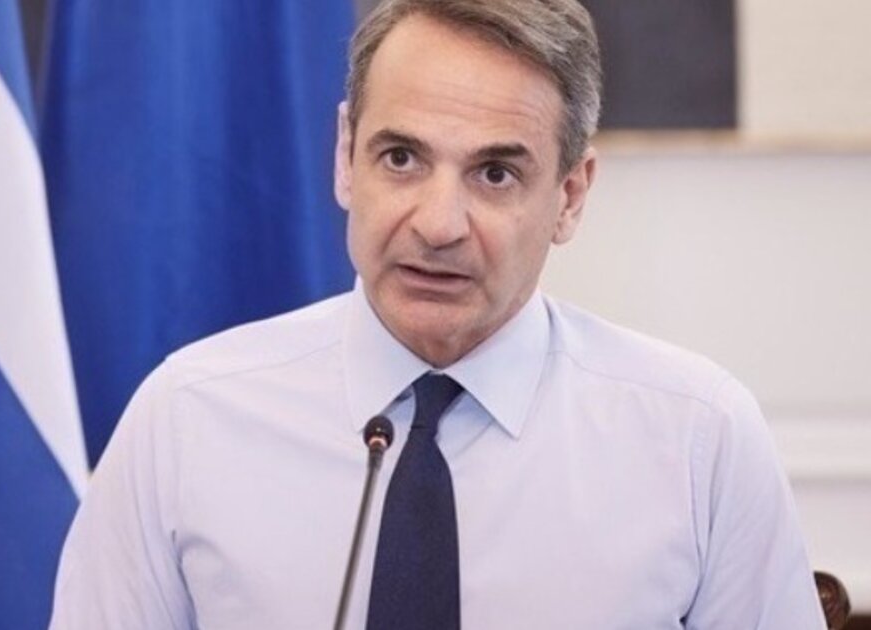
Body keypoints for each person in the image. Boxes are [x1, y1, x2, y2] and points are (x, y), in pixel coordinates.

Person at [49, 0, 826, 627]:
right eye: (401, 159)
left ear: (570, 195)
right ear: (345, 156)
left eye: (494, 173)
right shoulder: (187, 418)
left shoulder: (698, 438)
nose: (438, 223)